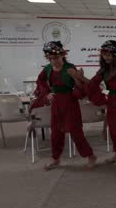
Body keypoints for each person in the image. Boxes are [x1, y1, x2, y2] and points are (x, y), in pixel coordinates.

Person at [35, 41, 97, 170]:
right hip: (56, 103)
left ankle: (90, 156)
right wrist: (47, 93)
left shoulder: (70, 68)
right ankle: (55, 158)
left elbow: (80, 88)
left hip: (70, 102)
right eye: (50, 58)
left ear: (62, 55)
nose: (53, 61)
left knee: (76, 132)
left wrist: (76, 80)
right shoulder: (47, 69)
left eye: (55, 58)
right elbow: (40, 80)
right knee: (56, 133)